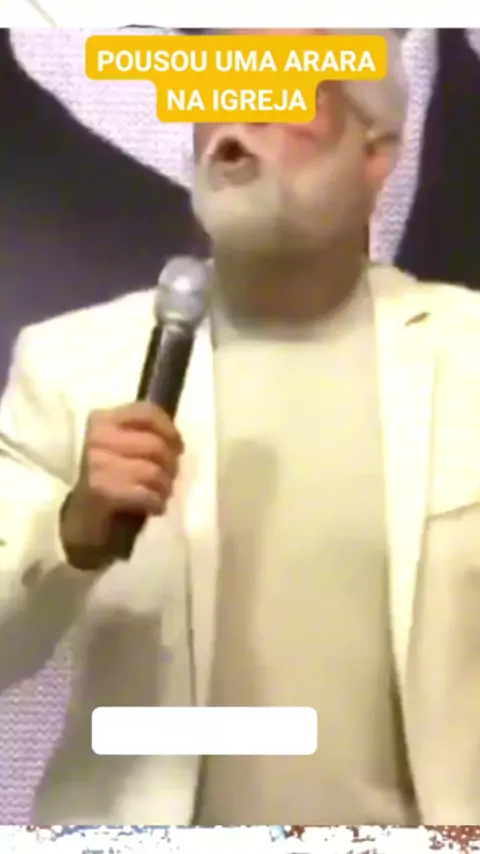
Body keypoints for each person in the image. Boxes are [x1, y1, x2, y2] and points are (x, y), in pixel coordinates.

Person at [0, 27, 479, 826]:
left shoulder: (471, 356)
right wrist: (71, 534)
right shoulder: (71, 363)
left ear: (376, 152)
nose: (230, 125)